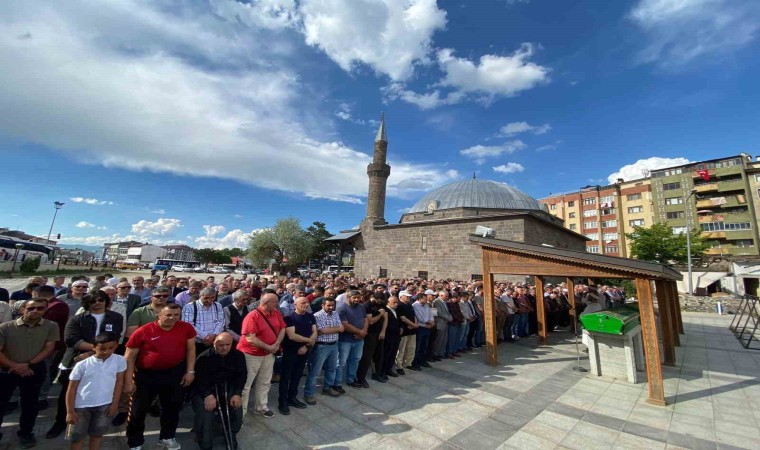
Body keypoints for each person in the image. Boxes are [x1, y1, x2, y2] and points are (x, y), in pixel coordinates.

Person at [47, 291, 124, 439]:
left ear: (106, 301)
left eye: (101, 300)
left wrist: (92, 353)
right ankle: (61, 421)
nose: (97, 303)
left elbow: (114, 337)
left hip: (104, 359)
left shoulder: (116, 318)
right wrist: (94, 350)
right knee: (68, 391)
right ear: (87, 303)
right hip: (76, 359)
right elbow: (71, 339)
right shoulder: (77, 319)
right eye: (92, 300)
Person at [124, 303, 195, 450]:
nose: (172, 318)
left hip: (174, 374)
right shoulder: (143, 331)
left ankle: (167, 437)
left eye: (176, 315)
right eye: (168, 315)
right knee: (139, 410)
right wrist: (128, 380)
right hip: (146, 376)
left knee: (172, 408)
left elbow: (190, 349)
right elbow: (129, 357)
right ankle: (135, 442)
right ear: (159, 315)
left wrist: (190, 371)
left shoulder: (186, 328)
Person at [0, 298, 60, 448]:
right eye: (31, 308)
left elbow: (49, 348)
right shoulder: (5, 327)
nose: (35, 311)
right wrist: (15, 366)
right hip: (7, 370)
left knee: (30, 404)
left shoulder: (51, 326)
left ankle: (26, 433)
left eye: (40, 308)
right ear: (23, 309)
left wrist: (29, 364)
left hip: (33, 370)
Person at [65, 332, 126, 450]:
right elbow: (71, 390)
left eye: (111, 348)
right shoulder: (82, 365)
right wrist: (70, 411)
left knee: (97, 435)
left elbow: (119, 384)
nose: (106, 352)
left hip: (104, 406)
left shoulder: (119, 361)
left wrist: (114, 404)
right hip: (81, 407)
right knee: (77, 438)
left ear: (116, 346)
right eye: (102, 349)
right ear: (94, 347)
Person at [192, 333, 246, 450]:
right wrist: (207, 395)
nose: (225, 348)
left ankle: (231, 434)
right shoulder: (204, 357)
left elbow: (241, 376)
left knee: (236, 408)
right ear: (214, 343)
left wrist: (237, 393)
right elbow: (199, 380)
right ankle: (205, 443)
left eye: (228, 344)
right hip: (206, 389)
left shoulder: (238, 356)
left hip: (227, 388)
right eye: (221, 345)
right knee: (206, 412)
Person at [237, 292, 285, 418]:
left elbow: (282, 329)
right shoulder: (252, 316)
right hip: (251, 355)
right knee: (246, 385)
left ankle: (261, 406)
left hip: (269, 354)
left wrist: (276, 344)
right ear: (266, 303)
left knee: (265, 381)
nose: (277, 304)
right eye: (275, 302)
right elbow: (250, 338)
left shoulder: (276, 313)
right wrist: (269, 347)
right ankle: (240, 412)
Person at [278, 297, 316, 415]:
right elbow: (292, 336)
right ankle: (283, 402)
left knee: (297, 375)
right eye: (302, 303)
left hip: (304, 350)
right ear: (295, 305)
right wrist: (309, 340)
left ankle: (292, 398)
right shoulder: (289, 318)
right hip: (291, 352)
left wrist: (306, 346)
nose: (305, 304)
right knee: (286, 377)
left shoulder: (310, 316)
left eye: (307, 302)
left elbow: (315, 331)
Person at [304, 297, 343, 402]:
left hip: (334, 345)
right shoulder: (317, 316)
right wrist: (336, 329)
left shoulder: (335, 314)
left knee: (332, 368)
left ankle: (327, 388)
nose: (331, 307)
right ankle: (309, 393)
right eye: (328, 305)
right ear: (323, 305)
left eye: (332, 305)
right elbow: (321, 331)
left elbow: (342, 328)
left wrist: (329, 330)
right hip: (322, 346)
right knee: (315, 371)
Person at [336, 290, 370, 389]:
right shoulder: (341, 308)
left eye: (358, 298)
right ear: (348, 297)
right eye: (354, 298)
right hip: (345, 340)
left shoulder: (361, 307)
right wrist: (360, 332)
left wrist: (363, 332)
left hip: (359, 340)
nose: (356, 300)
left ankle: (351, 379)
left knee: (355, 360)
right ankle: (337, 383)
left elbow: (365, 319)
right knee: (341, 362)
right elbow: (345, 325)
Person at [182, 287, 225, 356]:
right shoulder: (189, 307)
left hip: (214, 340)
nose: (209, 300)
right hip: (197, 342)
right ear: (200, 296)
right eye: (206, 298)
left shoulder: (218, 306)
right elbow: (188, 325)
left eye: (212, 298)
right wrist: (206, 337)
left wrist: (214, 335)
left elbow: (221, 321)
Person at [356, 292, 387, 386]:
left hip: (379, 333)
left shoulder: (382, 304)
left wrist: (383, 331)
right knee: (366, 357)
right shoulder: (367, 305)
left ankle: (377, 374)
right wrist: (380, 314)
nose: (380, 302)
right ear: (373, 298)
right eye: (378, 300)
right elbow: (371, 321)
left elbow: (386, 318)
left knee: (379, 355)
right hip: (370, 334)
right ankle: (361, 377)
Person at [394, 291, 418, 375]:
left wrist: (415, 324)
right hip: (405, 330)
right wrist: (412, 325)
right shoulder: (399, 306)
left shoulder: (409, 304)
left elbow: (414, 316)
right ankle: (399, 366)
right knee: (401, 350)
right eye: (406, 297)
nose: (408, 298)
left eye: (409, 297)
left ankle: (408, 363)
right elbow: (403, 318)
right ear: (401, 297)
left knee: (411, 348)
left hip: (412, 330)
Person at [410, 292, 434, 371]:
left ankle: (422, 360)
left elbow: (430, 314)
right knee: (418, 346)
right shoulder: (415, 306)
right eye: (425, 299)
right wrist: (428, 322)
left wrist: (431, 322)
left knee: (424, 345)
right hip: (420, 328)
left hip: (427, 327)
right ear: (419, 299)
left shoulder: (426, 305)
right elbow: (419, 317)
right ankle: (415, 362)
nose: (426, 300)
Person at [379, 295, 402, 378]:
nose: (396, 304)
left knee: (393, 354)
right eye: (394, 302)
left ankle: (389, 369)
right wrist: (396, 329)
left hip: (396, 336)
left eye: (397, 302)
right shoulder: (385, 310)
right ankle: (382, 371)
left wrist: (401, 328)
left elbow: (398, 321)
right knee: (386, 355)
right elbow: (385, 324)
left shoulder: (396, 310)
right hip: (388, 336)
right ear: (388, 302)